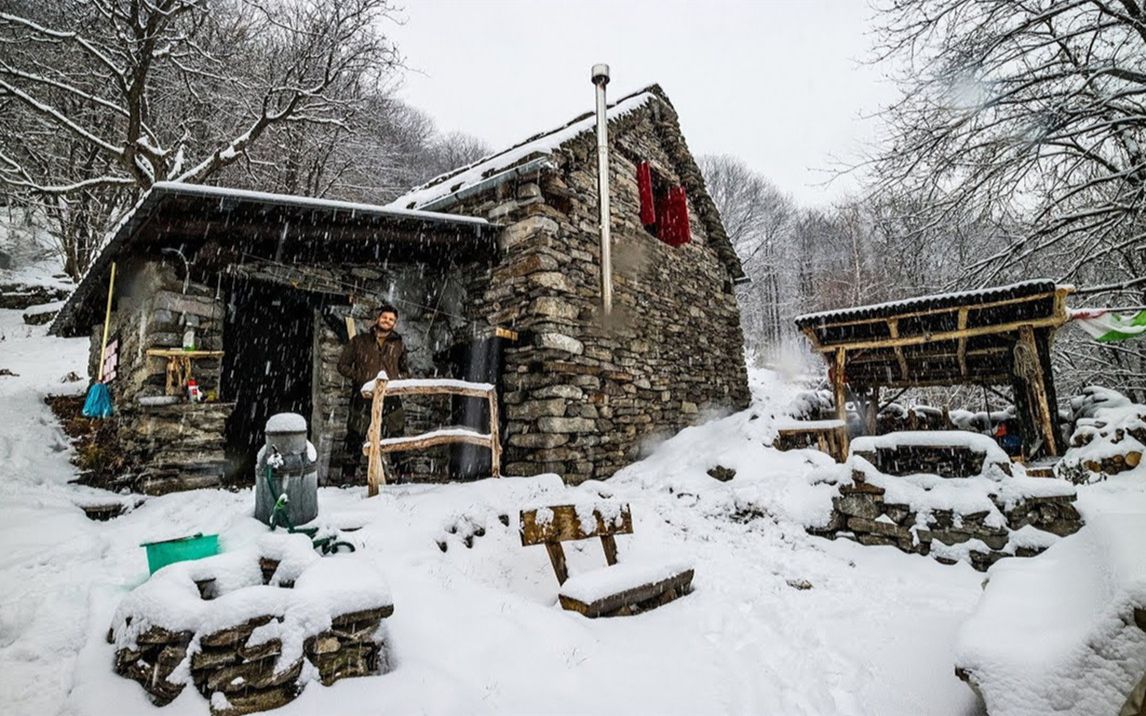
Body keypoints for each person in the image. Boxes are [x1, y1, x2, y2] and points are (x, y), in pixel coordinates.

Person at [337, 304, 409, 482]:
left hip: (390, 395)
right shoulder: (360, 341)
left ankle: (404, 474)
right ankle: (348, 477)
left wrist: (397, 379)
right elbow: (342, 365)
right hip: (363, 395)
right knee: (355, 435)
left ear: (395, 323)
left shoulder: (398, 344)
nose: (387, 321)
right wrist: (360, 377)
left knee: (397, 434)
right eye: (385, 317)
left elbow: (405, 369)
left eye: (391, 319)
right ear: (378, 318)